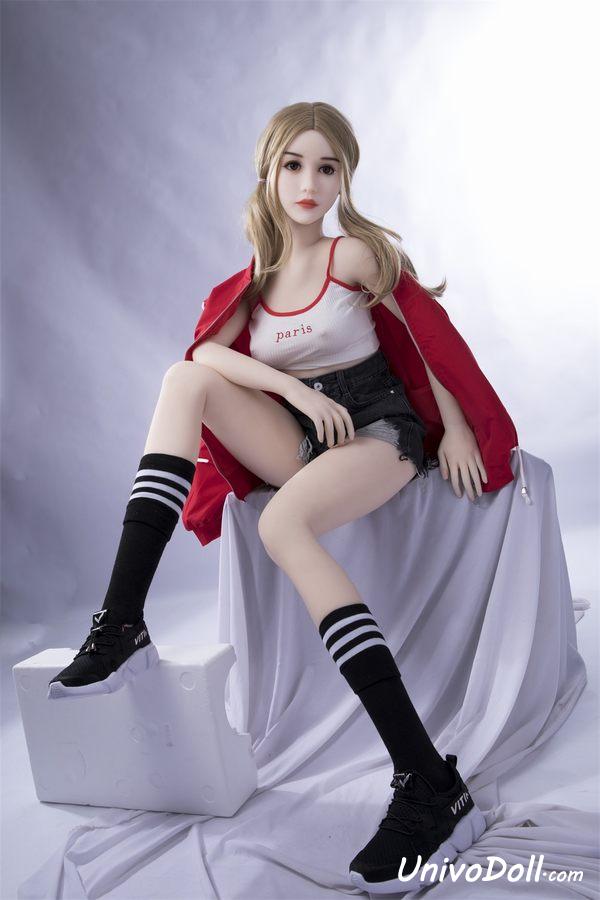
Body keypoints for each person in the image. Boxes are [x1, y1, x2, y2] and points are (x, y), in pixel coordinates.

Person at [49, 101, 506, 893]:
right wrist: (291, 392)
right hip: (305, 435)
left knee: (284, 525)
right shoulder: (256, 282)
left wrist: (458, 427)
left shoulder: (351, 254)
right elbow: (205, 358)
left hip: (377, 431)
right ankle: (121, 621)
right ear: (268, 171)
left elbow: (425, 333)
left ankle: (427, 778)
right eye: (294, 164)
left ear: (344, 178)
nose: (309, 183)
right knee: (182, 379)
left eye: (327, 167)